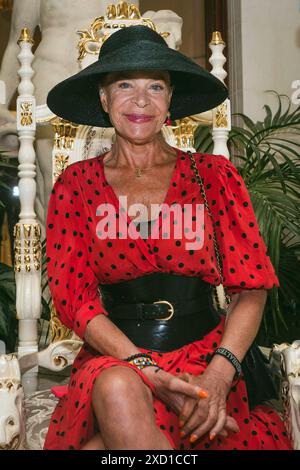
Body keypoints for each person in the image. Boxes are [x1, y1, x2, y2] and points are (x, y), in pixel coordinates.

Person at [43, 25, 292, 450]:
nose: (140, 101)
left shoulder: (215, 177)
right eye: (124, 85)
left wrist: (218, 373)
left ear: (170, 100)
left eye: (155, 86)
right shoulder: (75, 185)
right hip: (117, 356)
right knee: (118, 389)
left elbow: (251, 288)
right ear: (103, 99)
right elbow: (75, 301)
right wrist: (145, 367)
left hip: (208, 357)